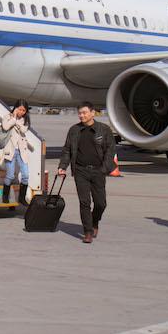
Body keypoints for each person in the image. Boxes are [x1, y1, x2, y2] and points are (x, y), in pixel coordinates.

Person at [58, 101, 116, 244]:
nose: (81, 116)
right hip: (80, 170)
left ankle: (95, 221)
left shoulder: (104, 130)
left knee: (101, 203)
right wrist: (63, 166)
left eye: (84, 113)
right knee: (84, 202)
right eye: (79, 113)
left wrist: (104, 169)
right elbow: (67, 150)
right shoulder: (74, 130)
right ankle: (88, 231)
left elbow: (110, 150)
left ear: (92, 113)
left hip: (98, 171)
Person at [1, 99, 31, 205]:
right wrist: (13, 118)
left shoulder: (26, 119)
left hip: (22, 150)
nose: (22, 112)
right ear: (15, 108)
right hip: (10, 150)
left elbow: (24, 130)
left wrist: (15, 123)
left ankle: (22, 198)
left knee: (26, 175)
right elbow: (5, 127)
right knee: (10, 175)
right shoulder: (8, 117)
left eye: (24, 110)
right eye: (20, 109)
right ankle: (5, 196)